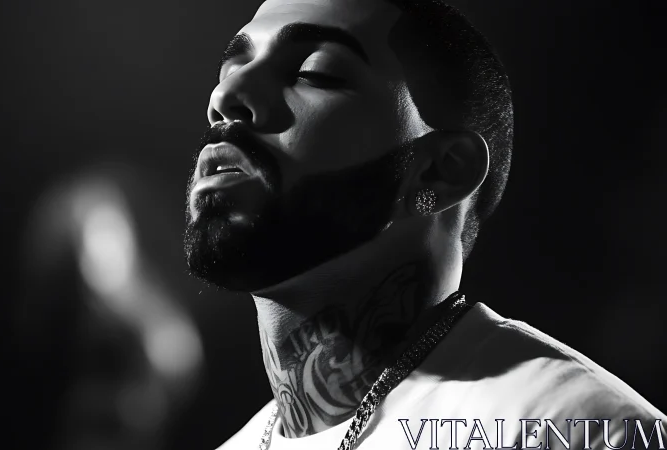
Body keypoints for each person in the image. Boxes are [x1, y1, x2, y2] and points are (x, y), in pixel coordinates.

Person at [183, 0, 666, 449]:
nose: (225, 95)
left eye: (315, 73)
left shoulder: (573, 426)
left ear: (440, 171)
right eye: (231, 69)